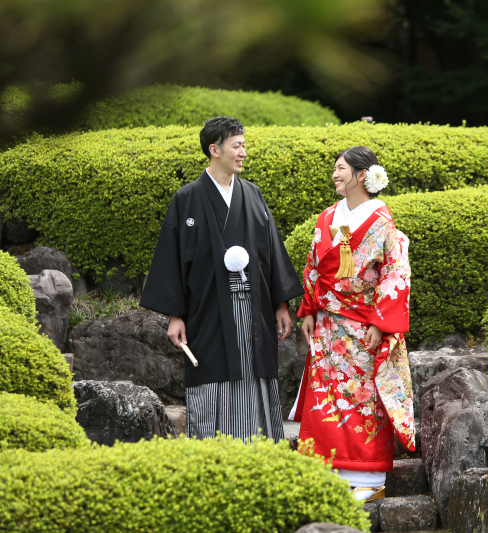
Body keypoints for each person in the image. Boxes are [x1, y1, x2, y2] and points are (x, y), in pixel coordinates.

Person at [140, 116, 303, 442]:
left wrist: (282, 303)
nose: (243, 152)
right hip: (208, 310)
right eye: (236, 146)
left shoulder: (253, 195)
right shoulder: (186, 199)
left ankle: (260, 451)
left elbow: (271, 251)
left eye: (244, 145)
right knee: (212, 370)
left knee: (255, 370)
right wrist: (175, 315)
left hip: (254, 308)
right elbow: (171, 260)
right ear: (215, 149)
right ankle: (216, 452)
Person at [290, 146, 414, 502]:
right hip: (328, 325)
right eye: (334, 168)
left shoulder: (382, 222)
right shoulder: (327, 216)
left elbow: (395, 274)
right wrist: (309, 309)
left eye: (341, 168)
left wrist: (382, 322)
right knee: (327, 399)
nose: (335, 174)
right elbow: (313, 265)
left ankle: (370, 481)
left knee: (363, 399)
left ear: (363, 175)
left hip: (363, 324)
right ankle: (327, 474)